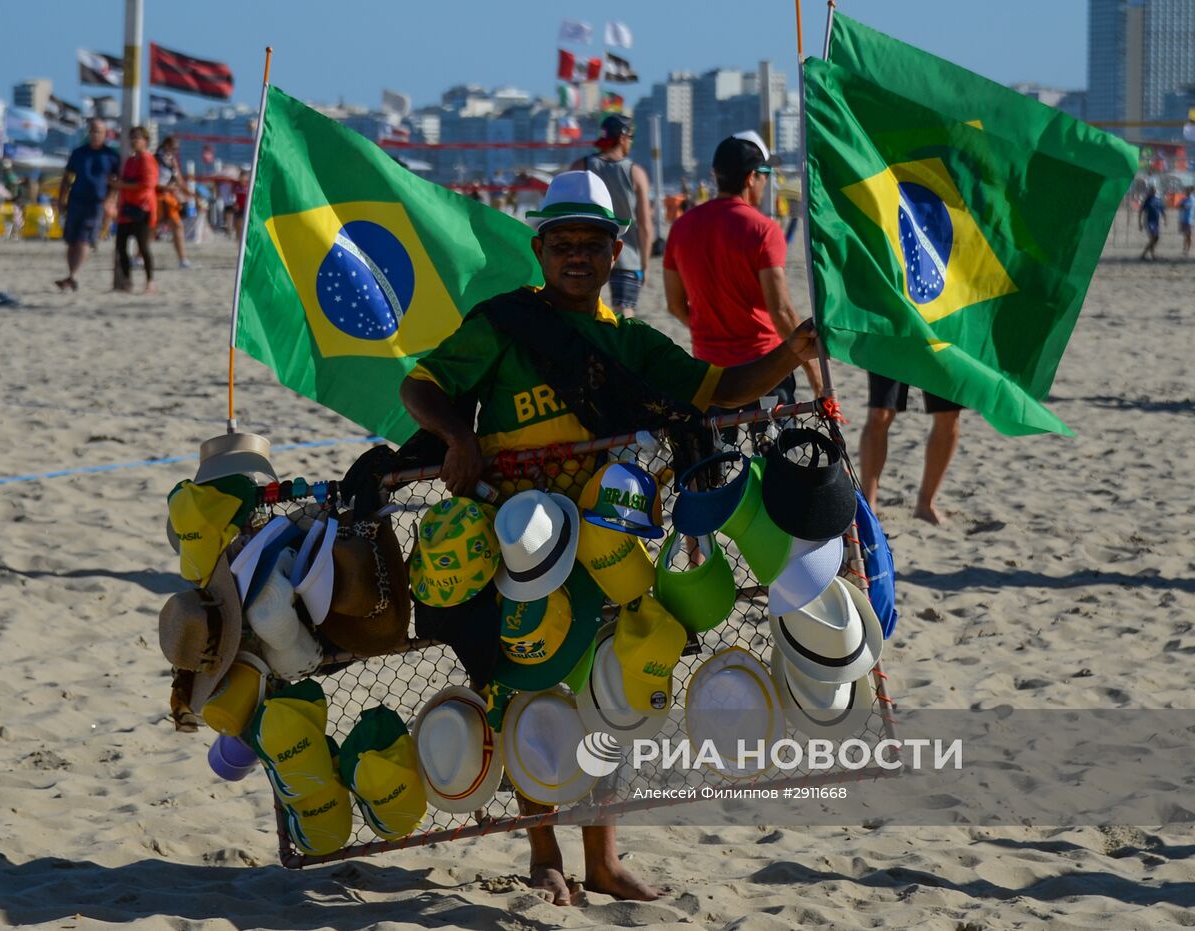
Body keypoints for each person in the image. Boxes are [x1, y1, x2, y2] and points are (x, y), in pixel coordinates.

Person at [399, 171, 818, 906]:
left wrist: (792, 353)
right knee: (524, 689)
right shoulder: (502, 324)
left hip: (603, 535)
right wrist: (455, 432)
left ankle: (604, 856)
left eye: (591, 243)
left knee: (608, 691)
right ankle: (542, 853)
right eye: (562, 243)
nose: (576, 256)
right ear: (539, 248)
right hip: (517, 537)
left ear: (616, 251)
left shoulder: (634, 343)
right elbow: (421, 385)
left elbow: (717, 388)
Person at [662, 131, 823, 424]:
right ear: (751, 177)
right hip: (765, 368)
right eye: (765, 173)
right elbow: (781, 310)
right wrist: (815, 373)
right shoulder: (763, 229)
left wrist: (707, 326)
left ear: (716, 174)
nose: (766, 181)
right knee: (776, 460)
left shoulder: (682, 228)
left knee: (720, 461)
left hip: (710, 372)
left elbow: (674, 304)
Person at [567, 115, 652, 316]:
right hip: (627, 256)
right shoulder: (635, 172)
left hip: (587, 251)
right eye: (630, 137)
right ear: (622, 138)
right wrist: (645, 266)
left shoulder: (581, 167)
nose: (631, 142)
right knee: (624, 313)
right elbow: (645, 226)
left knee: (584, 311)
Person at [858, 376, 963, 525]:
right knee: (879, 414)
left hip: (941, 351)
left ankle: (926, 504)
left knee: (948, 415)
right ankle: (869, 506)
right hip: (894, 351)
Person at [56, 118, 120, 291]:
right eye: (93, 131)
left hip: (96, 202)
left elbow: (117, 182)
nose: (95, 135)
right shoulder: (79, 153)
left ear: (105, 134)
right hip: (76, 200)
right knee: (71, 240)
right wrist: (61, 198)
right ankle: (71, 273)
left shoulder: (111, 156)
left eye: (99, 131)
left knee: (84, 239)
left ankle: (73, 276)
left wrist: (110, 199)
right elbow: (66, 177)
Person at [113, 125, 157, 294]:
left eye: (137, 138)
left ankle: (150, 281)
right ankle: (127, 281)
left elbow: (147, 184)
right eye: (132, 137)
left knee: (143, 247)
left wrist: (122, 185)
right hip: (127, 208)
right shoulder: (131, 160)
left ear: (145, 141)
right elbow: (125, 181)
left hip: (142, 208)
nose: (133, 141)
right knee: (121, 246)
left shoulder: (147, 159)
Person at [155, 136, 191, 268]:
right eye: (173, 147)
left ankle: (183, 259)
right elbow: (151, 181)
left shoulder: (172, 160)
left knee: (177, 226)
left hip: (169, 198)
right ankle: (138, 257)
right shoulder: (156, 159)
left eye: (177, 148)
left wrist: (191, 194)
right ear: (166, 145)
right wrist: (166, 187)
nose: (176, 150)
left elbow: (179, 180)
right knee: (152, 228)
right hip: (157, 197)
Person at [1138, 185, 1165, 261]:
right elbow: (1140, 211)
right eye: (1151, 190)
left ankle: (1148, 255)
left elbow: (1162, 210)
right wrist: (1139, 223)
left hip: (1156, 222)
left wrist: (1165, 219)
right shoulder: (1147, 200)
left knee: (1156, 238)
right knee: (1153, 238)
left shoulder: (1158, 200)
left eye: (1153, 190)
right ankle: (1147, 255)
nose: (1152, 192)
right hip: (1148, 222)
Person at [1179, 186, 1195, 257]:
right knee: (1185, 235)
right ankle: (1184, 249)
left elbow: (1183, 206)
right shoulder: (1185, 199)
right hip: (1183, 219)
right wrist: (1182, 206)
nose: (1186, 192)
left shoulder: (1192, 199)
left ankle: (1188, 250)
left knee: (1189, 235)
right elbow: (1179, 206)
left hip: (1190, 220)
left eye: (1187, 191)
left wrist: (1182, 206)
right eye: (1186, 191)